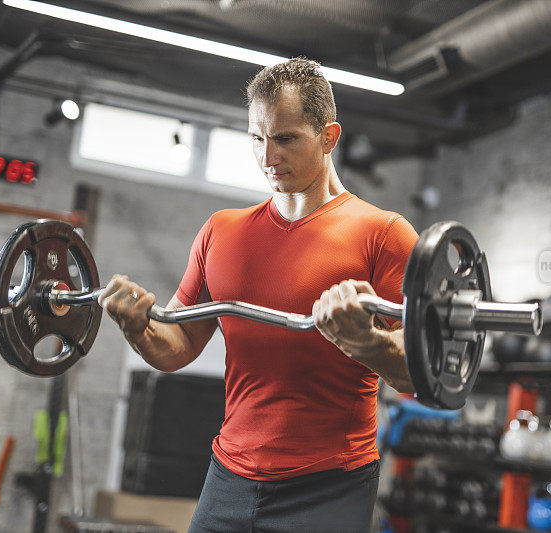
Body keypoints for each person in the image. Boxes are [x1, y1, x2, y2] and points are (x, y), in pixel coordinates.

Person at [98, 58, 419, 532]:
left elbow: (416, 375)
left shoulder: (384, 235)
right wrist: (136, 327)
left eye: (286, 138)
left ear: (329, 137)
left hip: (331, 483)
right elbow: (178, 349)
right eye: (256, 138)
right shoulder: (221, 232)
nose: (268, 157)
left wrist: (366, 342)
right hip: (229, 476)